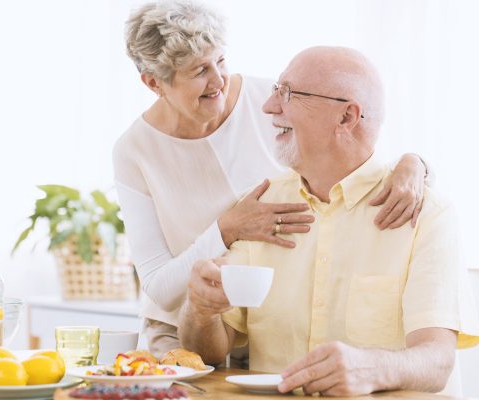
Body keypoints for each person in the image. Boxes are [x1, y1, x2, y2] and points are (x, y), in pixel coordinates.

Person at [114, 0, 429, 357]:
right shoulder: (134, 151)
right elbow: (158, 286)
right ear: (154, 83)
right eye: (199, 71)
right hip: (187, 330)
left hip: (273, 323)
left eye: (220, 61)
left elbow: (356, 143)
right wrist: (226, 229)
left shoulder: (271, 101)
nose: (218, 80)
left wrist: (413, 163)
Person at [178, 46, 479, 396]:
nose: (269, 106)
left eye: (287, 93)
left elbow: (437, 362)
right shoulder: (262, 206)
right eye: (276, 90)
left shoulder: (427, 213)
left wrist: (372, 367)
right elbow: (209, 352)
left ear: (346, 117)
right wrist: (200, 311)